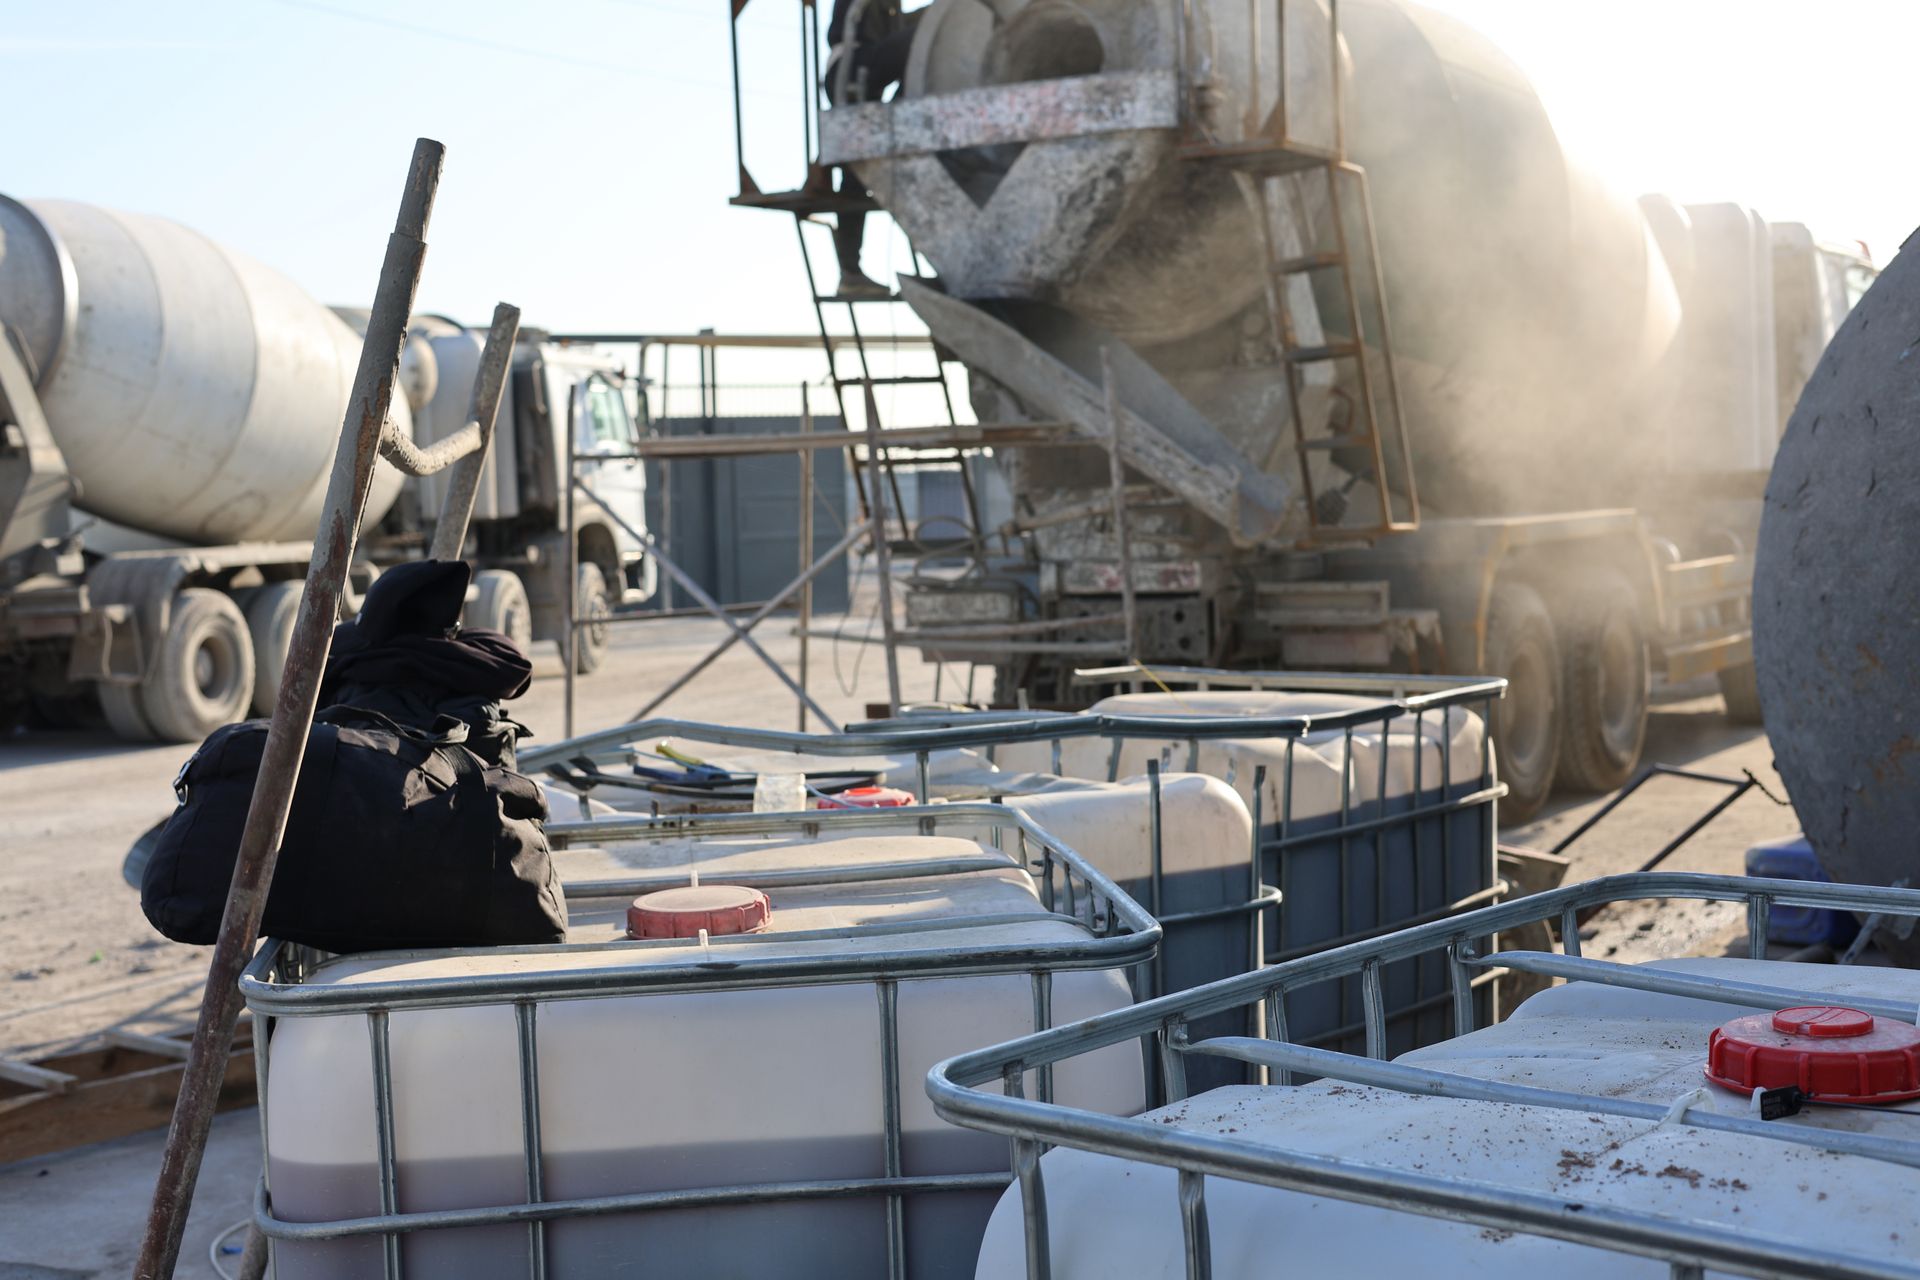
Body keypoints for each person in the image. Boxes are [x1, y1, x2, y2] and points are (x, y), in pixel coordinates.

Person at [824, 0, 922, 299]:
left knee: (855, 181)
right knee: (920, 38)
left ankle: (850, 273)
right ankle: (906, 106)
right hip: (852, 69)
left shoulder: (888, 12)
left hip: (864, 79)